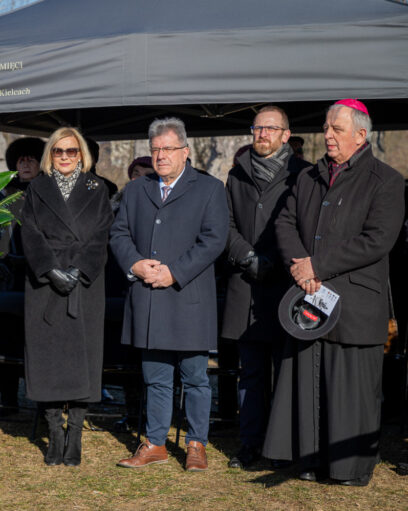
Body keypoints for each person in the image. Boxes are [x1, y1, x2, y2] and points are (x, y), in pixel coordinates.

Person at [263, 99, 404, 486]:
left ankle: (349, 469)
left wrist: (318, 266)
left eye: (336, 129)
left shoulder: (386, 180)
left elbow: (377, 240)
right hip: (309, 296)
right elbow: (285, 222)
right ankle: (308, 462)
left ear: (361, 135)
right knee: (309, 384)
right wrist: (300, 264)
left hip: (355, 302)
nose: (327, 135)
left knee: (350, 389)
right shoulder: (308, 177)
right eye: (326, 128)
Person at [110, 117, 228, 471]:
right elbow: (118, 235)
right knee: (155, 377)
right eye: (156, 149)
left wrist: (174, 271)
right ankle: (156, 443)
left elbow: (214, 240)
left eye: (168, 149)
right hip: (148, 298)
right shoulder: (135, 190)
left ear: (185, 152)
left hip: (187, 296)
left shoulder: (209, 189)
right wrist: (135, 265)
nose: (161, 156)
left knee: (194, 377)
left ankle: (195, 444)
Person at [221, 106, 309, 469]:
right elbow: (224, 224)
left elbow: (305, 225)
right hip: (246, 284)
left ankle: (285, 448)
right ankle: (250, 444)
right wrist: (248, 256)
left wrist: (274, 259)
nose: (262, 134)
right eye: (257, 128)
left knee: (288, 373)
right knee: (251, 375)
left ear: (286, 135)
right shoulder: (236, 174)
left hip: (287, 286)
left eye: (270, 128)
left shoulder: (303, 175)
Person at [19, 128, 112, 466]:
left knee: (83, 358)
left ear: (82, 154)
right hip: (46, 285)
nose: (65, 157)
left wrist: (80, 270)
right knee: (48, 360)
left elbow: (102, 233)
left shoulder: (96, 188)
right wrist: (50, 269)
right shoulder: (36, 188)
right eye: (58, 151)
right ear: (50, 155)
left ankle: (75, 434)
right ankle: (54, 433)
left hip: (84, 284)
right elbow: (28, 231)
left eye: (72, 151)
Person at [0, 137, 44, 420]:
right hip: (8, 278)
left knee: (38, 343)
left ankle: (45, 403)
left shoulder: (48, 193)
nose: (25, 163)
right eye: (20, 159)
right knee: (6, 342)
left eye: (31, 158)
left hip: (40, 279)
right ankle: (8, 402)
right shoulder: (3, 195)